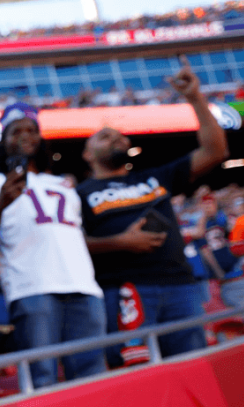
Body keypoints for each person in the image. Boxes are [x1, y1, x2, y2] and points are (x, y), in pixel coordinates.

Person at [77, 58, 228, 366]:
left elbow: (215, 151)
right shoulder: (78, 194)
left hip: (180, 287)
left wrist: (195, 98)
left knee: (194, 370)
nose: (116, 138)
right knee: (134, 374)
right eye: (105, 137)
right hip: (124, 291)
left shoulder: (155, 177)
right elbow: (71, 244)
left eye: (119, 135)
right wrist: (119, 242)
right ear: (87, 153)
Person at [0, 103, 105, 389]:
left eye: (32, 130)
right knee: (42, 379)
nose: (25, 136)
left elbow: (74, 237)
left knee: (92, 376)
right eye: (16, 131)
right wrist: (0, 206)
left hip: (83, 286)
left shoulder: (62, 184)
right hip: (31, 288)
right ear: (3, 140)